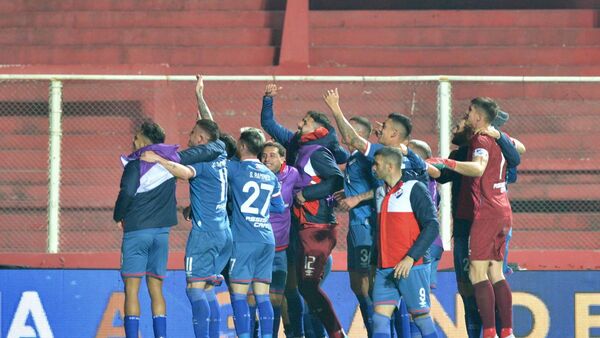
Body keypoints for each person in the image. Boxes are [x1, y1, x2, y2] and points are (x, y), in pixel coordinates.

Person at [323, 88, 429, 337]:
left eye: (386, 125)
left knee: (378, 291)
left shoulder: (390, 159)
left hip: (376, 230)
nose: (380, 126)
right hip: (370, 228)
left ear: (395, 134)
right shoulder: (390, 158)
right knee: (372, 291)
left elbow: (353, 141)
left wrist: (335, 107)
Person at [261, 83, 347, 338]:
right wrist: (268, 99)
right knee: (302, 290)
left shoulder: (318, 152)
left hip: (317, 227)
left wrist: (305, 194)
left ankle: (336, 333)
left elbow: (336, 180)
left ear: (319, 128)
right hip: (303, 228)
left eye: (304, 121)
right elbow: (270, 124)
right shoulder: (300, 145)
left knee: (308, 289)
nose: (299, 124)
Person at [428, 98, 515, 338]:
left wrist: (446, 161)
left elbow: (477, 168)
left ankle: (489, 332)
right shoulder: (499, 140)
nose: (464, 118)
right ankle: (506, 331)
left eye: (468, 113)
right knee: (495, 272)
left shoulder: (481, 139)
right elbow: (518, 151)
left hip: (484, 213)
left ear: (477, 116)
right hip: (502, 210)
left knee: (476, 274)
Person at [141, 119, 231, 338]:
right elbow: (212, 125)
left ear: (201, 139)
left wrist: (158, 159)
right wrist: (199, 94)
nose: (188, 137)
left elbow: (184, 173)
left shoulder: (201, 160)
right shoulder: (221, 155)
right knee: (208, 288)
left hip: (205, 234)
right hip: (224, 232)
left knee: (194, 289)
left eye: (192, 133)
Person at [114, 121, 179, 338]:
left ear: (145, 140)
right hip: (162, 234)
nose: (133, 141)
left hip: (137, 232)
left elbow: (127, 192)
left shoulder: (136, 164)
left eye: (136, 137)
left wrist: (118, 215)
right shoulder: (171, 163)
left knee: (131, 290)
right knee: (156, 290)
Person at [370, 147, 440, 338]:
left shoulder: (414, 189)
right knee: (379, 320)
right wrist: (373, 263)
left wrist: (411, 257)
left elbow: (432, 226)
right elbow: (380, 232)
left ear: (390, 166)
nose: (373, 168)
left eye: (376, 164)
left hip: (411, 267)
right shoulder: (379, 193)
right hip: (385, 268)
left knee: (421, 319)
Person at [226, 129, 286, 338]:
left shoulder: (234, 168)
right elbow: (279, 207)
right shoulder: (271, 176)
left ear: (242, 146)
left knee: (239, 295)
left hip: (244, 239)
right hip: (266, 239)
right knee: (263, 296)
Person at [332, 116, 378, 337]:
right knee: (357, 285)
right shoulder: (352, 159)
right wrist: (348, 193)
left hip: (367, 225)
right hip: (355, 226)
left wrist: (357, 198)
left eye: (349, 129)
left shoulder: (369, 159)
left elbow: (382, 188)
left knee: (366, 284)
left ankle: (377, 331)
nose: (343, 133)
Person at [260, 141, 301, 337]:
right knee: (255, 298)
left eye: (272, 155)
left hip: (281, 249)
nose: (267, 159)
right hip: (258, 248)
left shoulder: (292, 174)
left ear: (283, 158)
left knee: (277, 297)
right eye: (264, 155)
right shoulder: (255, 174)